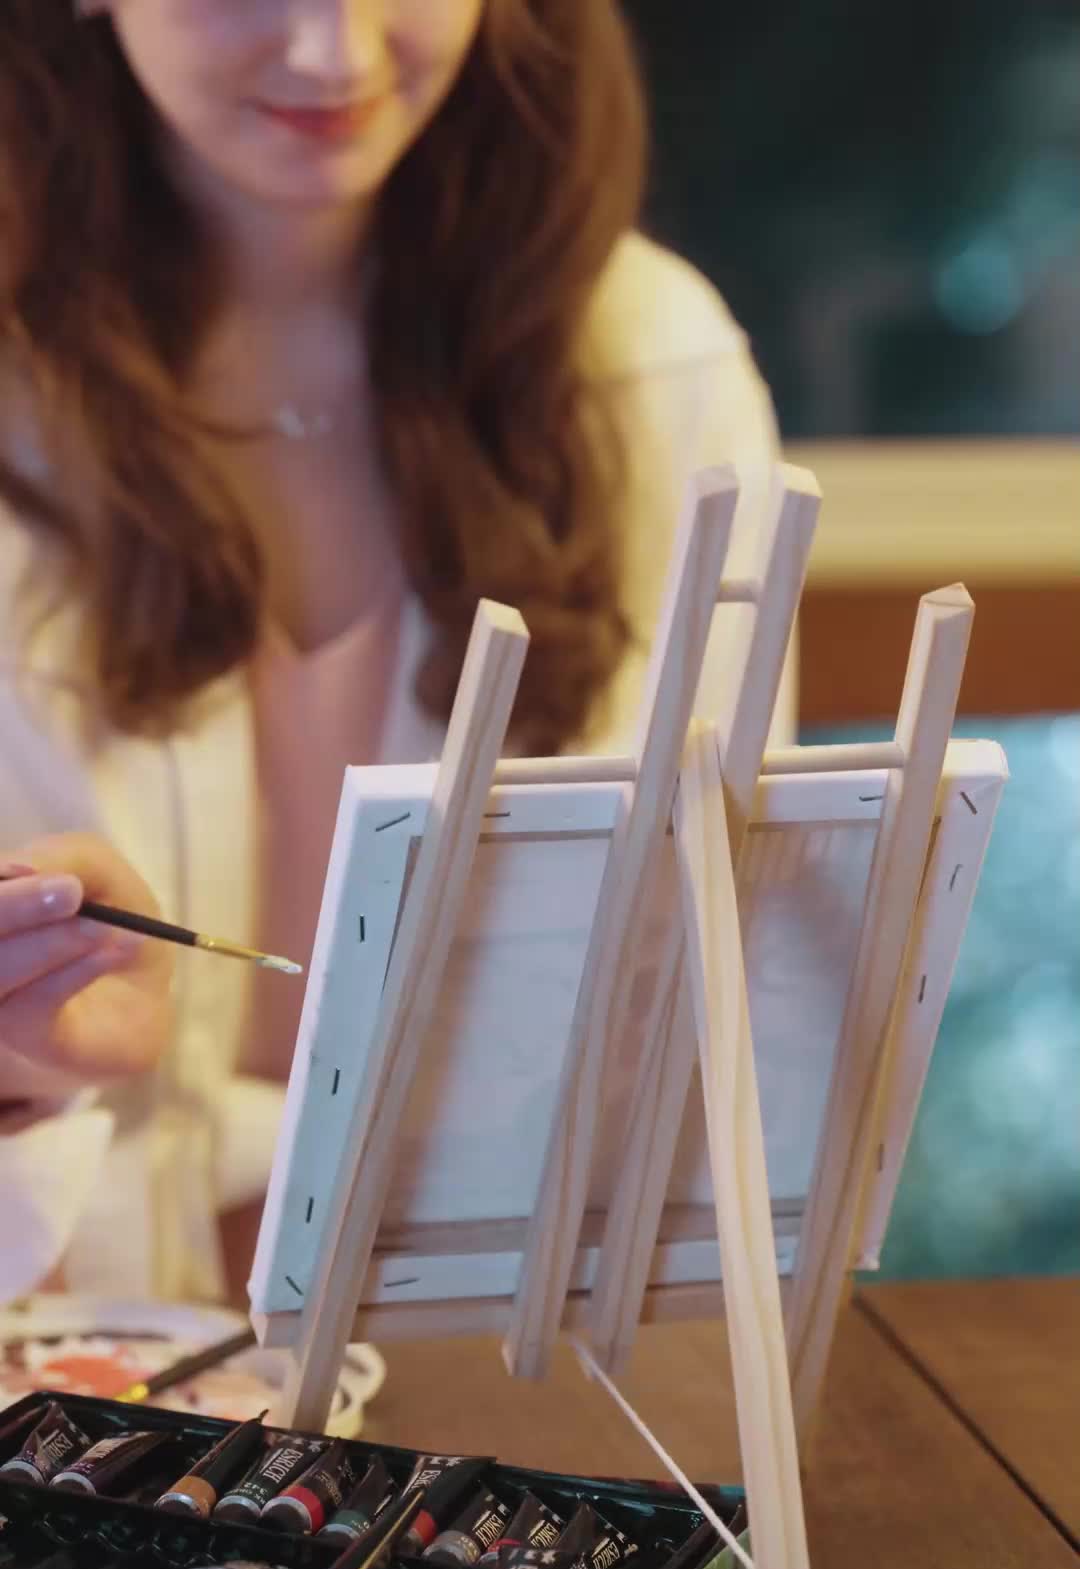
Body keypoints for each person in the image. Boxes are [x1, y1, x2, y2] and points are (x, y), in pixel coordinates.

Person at [0, 0, 792, 1308]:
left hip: (507, 1353)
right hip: (74, 1373)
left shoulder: (652, 368)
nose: (338, 52)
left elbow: (712, 1004)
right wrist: (26, 1063)